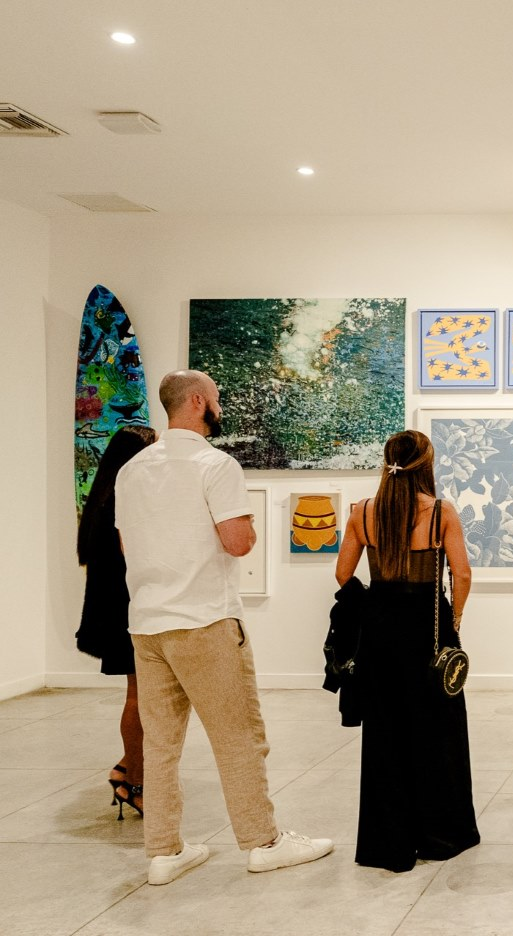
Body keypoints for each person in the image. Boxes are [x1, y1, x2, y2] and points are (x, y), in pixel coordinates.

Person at [115, 369, 333, 886]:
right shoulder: (216, 465)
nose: (220, 403)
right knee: (238, 737)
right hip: (205, 621)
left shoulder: (133, 470)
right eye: (215, 396)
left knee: (162, 743)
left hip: (147, 624)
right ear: (196, 402)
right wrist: (248, 525)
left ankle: (164, 851)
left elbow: (127, 546)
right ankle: (263, 842)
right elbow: (237, 543)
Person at [335, 429, 480, 872]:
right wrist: (452, 622)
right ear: (425, 464)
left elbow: (343, 574)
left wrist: (376, 607)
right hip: (426, 629)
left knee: (386, 732)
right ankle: (440, 832)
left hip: (379, 630)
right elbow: (463, 575)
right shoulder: (440, 512)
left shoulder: (363, 511)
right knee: (437, 730)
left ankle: (387, 840)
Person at [76, 423, 157, 819]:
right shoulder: (120, 500)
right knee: (141, 696)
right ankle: (135, 781)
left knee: (142, 695)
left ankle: (127, 769)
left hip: (118, 608)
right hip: (125, 610)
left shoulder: (104, 498)